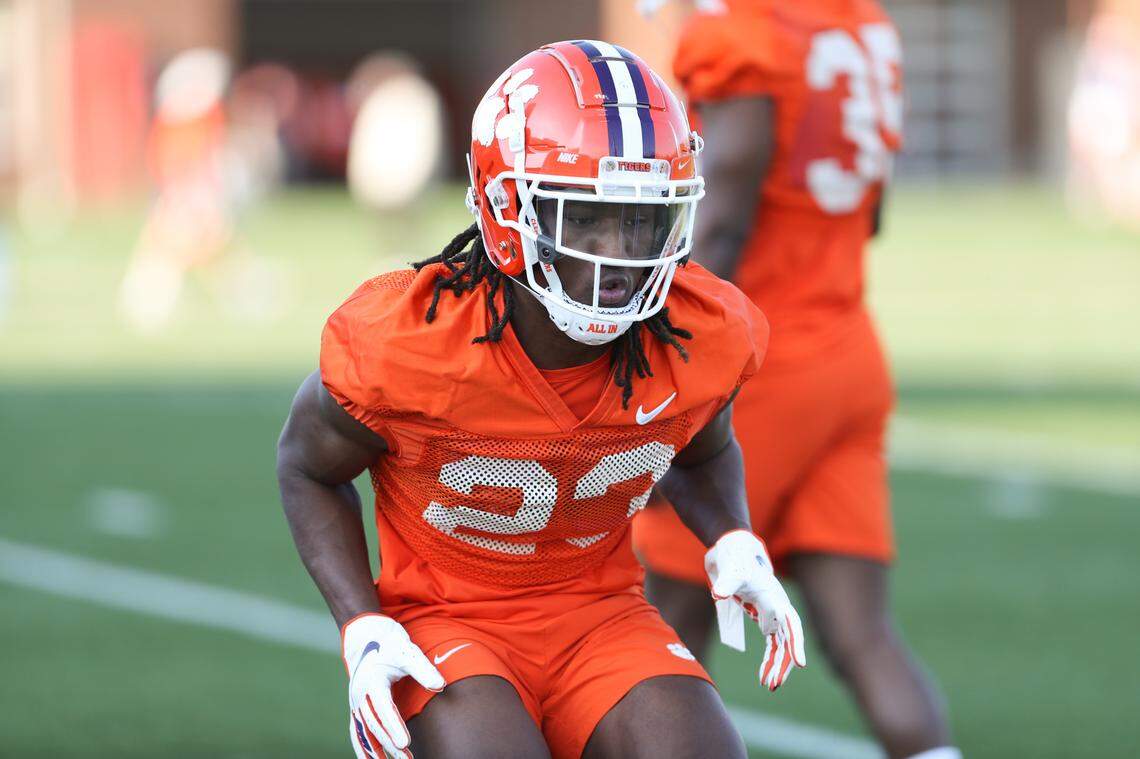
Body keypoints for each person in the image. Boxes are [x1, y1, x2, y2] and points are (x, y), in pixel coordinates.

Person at [276, 40, 806, 759]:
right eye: (585, 217)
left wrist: (733, 536)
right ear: (505, 205)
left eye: (641, 218)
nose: (618, 253)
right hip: (447, 620)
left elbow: (700, 447)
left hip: (601, 618)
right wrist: (362, 623)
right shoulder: (413, 342)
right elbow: (308, 465)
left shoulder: (693, 333)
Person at [630, 3, 960, 758]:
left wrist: (667, 355)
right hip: (849, 348)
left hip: (762, 367)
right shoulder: (862, 24)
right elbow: (871, 213)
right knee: (863, 635)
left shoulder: (744, 32)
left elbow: (723, 220)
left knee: (653, 628)